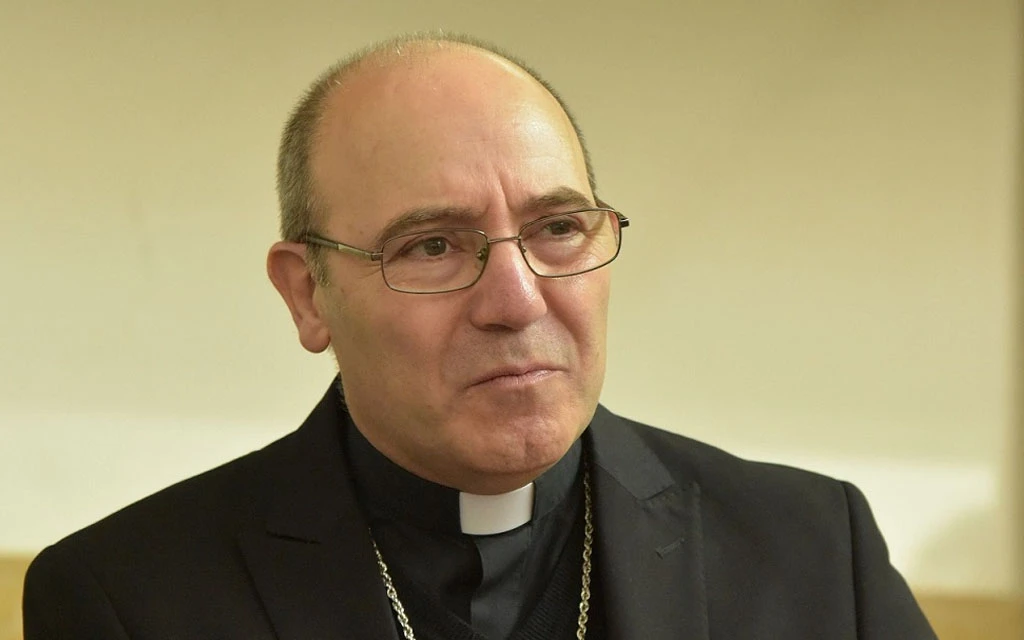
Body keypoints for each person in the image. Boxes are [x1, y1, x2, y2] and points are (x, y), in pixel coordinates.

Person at [22, 34, 936, 639]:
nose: (517, 300)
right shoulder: (128, 601)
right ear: (308, 295)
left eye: (559, 228)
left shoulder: (815, 554)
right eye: (432, 245)